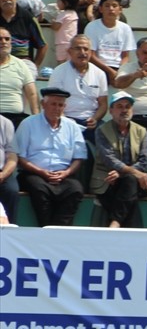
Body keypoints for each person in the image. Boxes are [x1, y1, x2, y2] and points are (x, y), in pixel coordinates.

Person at [14, 86, 87, 227]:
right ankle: (46, 227)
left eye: (60, 105)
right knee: (39, 189)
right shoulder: (28, 124)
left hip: (63, 175)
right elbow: (20, 157)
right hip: (34, 173)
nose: (57, 108)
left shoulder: (72, 126)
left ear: (65, 106)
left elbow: (79, 157)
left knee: (76, 189)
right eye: (53, 104)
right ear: (43, 104)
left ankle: (59, 230)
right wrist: (41, 172)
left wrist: (67, 172)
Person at [90, 90, 147, 227]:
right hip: (107, 180)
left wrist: (122, 173)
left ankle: (115, 224)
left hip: (131, 180)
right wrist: (132, 172)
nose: (124, 110)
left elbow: (143, 160)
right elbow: (109, 159)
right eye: (120, 106)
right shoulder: (102, 130)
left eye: (127, 106)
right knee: (129, 192)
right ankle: (128, 230)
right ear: (111, 110)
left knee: (129, 181)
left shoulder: (142, 131)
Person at [47, 33, 107, 139]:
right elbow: (52, 101)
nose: (82, 52)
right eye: (78, 49)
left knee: (106, 136)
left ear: (90, 52)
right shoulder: (59, 72)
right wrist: (66, 121)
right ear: (70, 51)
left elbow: (103, 105)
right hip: (65, 119)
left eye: (86, 49)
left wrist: (95, 119)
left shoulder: (99, 73)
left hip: (91, 121)